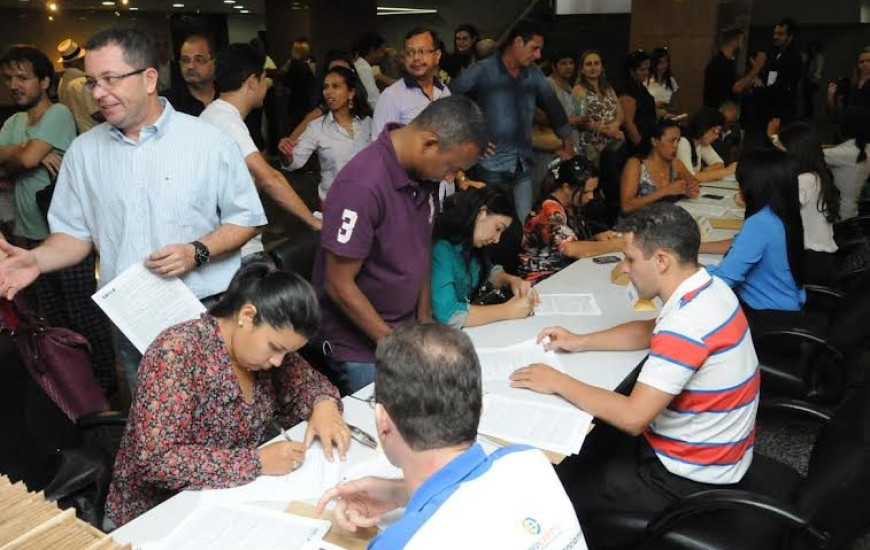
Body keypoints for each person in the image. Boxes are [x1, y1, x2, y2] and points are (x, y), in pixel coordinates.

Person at [0, 29, 267, 394]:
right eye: (92, 82)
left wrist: (197, 251)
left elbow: (246, 218)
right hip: (133, 315)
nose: (97, 92)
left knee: (225, 412)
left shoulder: (207, 140)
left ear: (149, 79)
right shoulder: (83, 153)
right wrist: (37, 260)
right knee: (155, 425)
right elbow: (74, 236)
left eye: (110, 79)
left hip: (209, 308)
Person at [509, 203, 758, 533]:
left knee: (558, 486)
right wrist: (580, 341)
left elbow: (632, 417)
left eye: (630, 259)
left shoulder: (688, 324)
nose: (624, 268)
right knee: (593, 439)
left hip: (685, 479)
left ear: (661, 261)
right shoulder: (709, 288)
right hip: (719, 455)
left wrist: (557, 380)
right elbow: (649, 330)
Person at [106, 260, 349, 528]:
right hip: (159, 516)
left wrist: (323, 404)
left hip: (227, 500)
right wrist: (256, 462)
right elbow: (156, 460)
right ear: (246, 315)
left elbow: (308, 384)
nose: (279, 361)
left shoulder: (263, 353)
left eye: (287, 353)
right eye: (275, 348)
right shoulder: (176, 352)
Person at [316, 323, 586, 549]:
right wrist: (400, 493)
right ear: (480, 410)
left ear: (382, 421)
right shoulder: (528, 459)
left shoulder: (402, 544)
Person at [312, 96, 485, 394]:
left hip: (404, 331)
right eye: (451, 167)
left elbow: (421, 250)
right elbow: (338, 285)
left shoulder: (423, 175)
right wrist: (396, 348)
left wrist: (425, 319)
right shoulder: (362, 185)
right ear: (429, 143)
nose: (449, 178)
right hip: (362, 349)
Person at [0, 44, 116, 394]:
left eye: (23, 78)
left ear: (45, 81)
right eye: (9, 79)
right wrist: (23, 154)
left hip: (66, 240)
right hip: (29, 241)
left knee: (84, 316)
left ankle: (105, 386)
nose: (15, 85)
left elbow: (27, 161)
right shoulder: (14, 121)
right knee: (54, 321)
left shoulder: (59, 114)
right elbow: (23, 159)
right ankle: (77, 385)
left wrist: (22, 156)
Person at [200, 43, 321, 259]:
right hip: (236, 253)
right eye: (265, 78)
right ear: (252, 82)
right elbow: (270, 179)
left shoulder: (216, 115)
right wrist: (314, 222)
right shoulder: (225, 120)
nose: (267, 86)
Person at [450, 20, 573, 222]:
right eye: (534, 49)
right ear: (517, 42)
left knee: (522, 227)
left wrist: (568, 146)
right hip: (491, 167)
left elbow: (553, 106)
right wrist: (471, 135)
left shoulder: (533, 73)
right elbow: (449, 101)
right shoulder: (482, 71)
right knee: (490, 228)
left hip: (523, 164)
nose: (538, 56)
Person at [704, 149, 806, 324]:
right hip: (786, 305)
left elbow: (724, 280)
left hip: (765, 316)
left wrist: (691, 272)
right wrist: (695, 249)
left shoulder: (761, 222)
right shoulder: (782, 211)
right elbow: (740, 244)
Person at [431, 188, 538, 328]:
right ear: (482, 213)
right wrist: (507, 310)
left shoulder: (471, 243)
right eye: (498, 228)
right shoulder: (441, 248)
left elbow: (486, 273)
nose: (497, 239)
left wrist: (512, 280)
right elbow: (449, 314)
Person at [519, 156, 623, 282]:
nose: (591, 197)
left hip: (567, 273)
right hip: (542, 280)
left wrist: (595, 239)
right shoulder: (548, 210)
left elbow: (564, 242)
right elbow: (569, 248)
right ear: (567, 187)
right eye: (585, 192)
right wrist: (616, 245)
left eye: (593, 191)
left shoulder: (573, 205)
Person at [281, 66, 373, 203]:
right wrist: (286, 153)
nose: (328, 92)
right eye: (326, 87)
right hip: (333, 202)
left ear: (351, 93)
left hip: (367, 200)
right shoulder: (317, 127)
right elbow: (295, 162)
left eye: (335, 86)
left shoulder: (367, 123)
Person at [778, 122, 839, 285]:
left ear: (794, 151)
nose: (778, 151)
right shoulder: (816, 174)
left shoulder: (805, 180)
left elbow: (781, 207)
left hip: (811, 261)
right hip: (818, 256)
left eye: (781, 146)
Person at [373, 27, 451, 137]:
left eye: (422, 51)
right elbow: (380, 148)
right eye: (410, 52)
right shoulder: (391, 96)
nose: (416, 58)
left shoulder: (444, 91)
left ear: (437, 56)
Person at [620, 118, 698, 214]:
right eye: (671, 141)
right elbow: (626, 206)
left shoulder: (674, 163)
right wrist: (665, 191)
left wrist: (691, 187)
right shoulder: (635, 165)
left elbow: (692, 180)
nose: (676, 145)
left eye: (678, 141)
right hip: (639, 223)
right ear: (654, 141)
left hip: (667, 219)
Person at [280, 50, 358, 144]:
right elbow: (290, 146)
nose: (338, 78)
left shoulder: (366, 117)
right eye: (333, 73)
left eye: (344, 72)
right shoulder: (319, 113)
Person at [574, 49, 623, 164]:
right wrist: (603, 130)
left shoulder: (608, 89)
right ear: (582, 69)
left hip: (612, 143)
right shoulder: (579, 89)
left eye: (596, 63)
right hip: (591, 146)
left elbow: (620, 113)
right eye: (588, 64)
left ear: (601, 67)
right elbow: (581, 119)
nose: (593, 67)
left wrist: (615, 126)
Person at [703, 28, 767, 110]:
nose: (742, 45)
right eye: (741, 41)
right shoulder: (719, 63)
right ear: (733, 42)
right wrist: (757, 67)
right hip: (718, 114)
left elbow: (734, 83)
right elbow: (736, 88)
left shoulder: (728, 63)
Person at [824, 107, 870, 220]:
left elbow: (810, 153)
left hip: (840, 214)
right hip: (849, 211)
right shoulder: (863, 148)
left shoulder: (848, 153)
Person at [758, 18, 803, 126]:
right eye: (775, 33)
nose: (775, 37)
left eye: (780, 34)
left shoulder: (793, 57)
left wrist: (762, 90)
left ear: (790, 37)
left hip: (782, 110)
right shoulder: (773, 54)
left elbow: (784, 85)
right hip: (769, 107)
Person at [675, 108, 737, 182]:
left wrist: (701, 174)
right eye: (715, 131)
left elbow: (720, 164)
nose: (717, 136)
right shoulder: (683, 143)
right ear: (703, 127)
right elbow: (691, 178)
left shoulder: (701, 143)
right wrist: (727, 171)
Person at [56, 39, 103, 134]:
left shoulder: (61, 84)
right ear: (79, 60)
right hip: (97, 134)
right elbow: (96, 113)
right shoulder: (82, 82)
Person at [168, 33, 218, 116]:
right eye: (185, 60)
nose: (190, 66)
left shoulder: (228, 96)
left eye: (199, 60)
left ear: (214, 63)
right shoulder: (169, 104)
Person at [546, 51, 587, 151]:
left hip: (571, 140)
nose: (568, 67)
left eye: (571, 63)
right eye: (563, 63)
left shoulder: (568, 85)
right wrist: (570, 120)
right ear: (554, 66)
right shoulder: (548, 84)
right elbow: (544, 116)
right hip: (555, 143)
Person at [619, 50, 657, 154]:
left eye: (648, 69)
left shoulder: (640, 86)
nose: (647, 73)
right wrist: (641, 146)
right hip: (635, 145)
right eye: (642, 69)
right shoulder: (627, 90)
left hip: (646, 139)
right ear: (631, 71)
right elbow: (628, 123)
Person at [282, 37, 318, 131]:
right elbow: (312, 84)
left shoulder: (293, 65)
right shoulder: (303, 66)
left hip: (295, 105)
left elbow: (286, 83)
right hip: (304, 105)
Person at [352, 32, 394, 111]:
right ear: (372, 51)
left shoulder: (360, 66)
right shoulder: (364, 69)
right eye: (381, 51)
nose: (382, 55)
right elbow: (373, 101)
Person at [827, 46, 870, 115]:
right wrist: (831, 95)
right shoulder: (851, 83)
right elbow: (836, 110)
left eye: (869, 61)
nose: (865, 64)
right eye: (861, 62)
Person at [645, 47, 678, 116]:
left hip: (668, 115)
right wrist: (655, 104)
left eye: (666, 62)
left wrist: (667, 106)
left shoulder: (671, 80)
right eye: (661, 63)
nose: (664, 65)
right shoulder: (646, 80)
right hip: (650, 115)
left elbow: (675, 103)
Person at [712, 100, 742, 165]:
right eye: (723, 120)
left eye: (729, 122)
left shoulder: (735, 132)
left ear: (735, 121)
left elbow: (734, 154)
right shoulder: (710, 131)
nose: (724, 124)